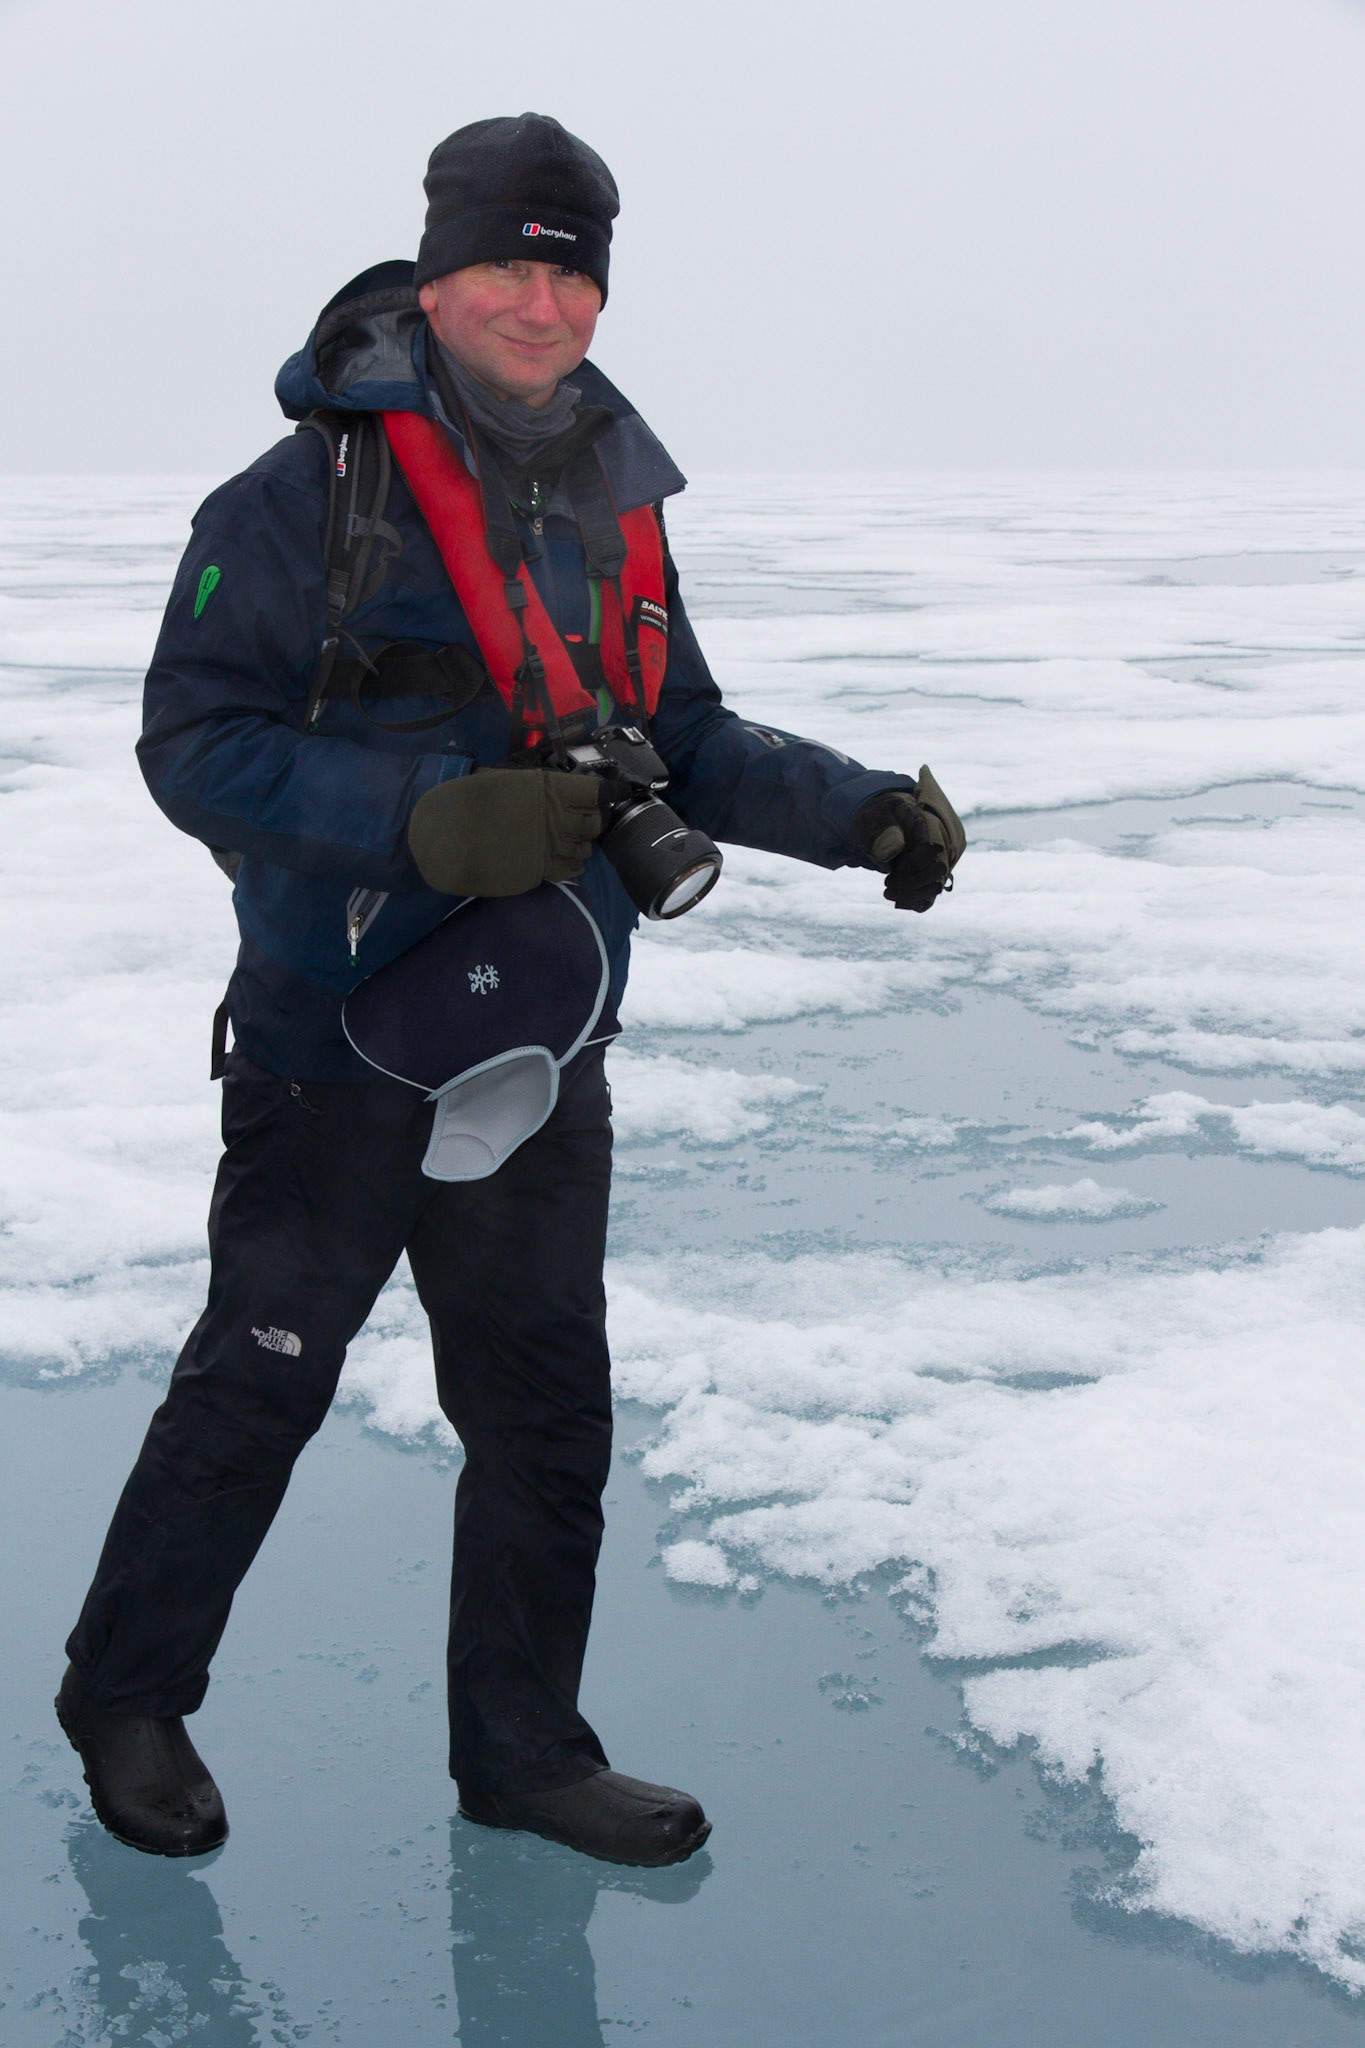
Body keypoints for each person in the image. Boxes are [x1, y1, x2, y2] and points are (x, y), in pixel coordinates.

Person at [55, 112, 964, 1868]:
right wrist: (422, 815)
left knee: (545, 1414)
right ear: (438, 269)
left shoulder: (613, 503)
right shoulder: (295, 497)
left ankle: (524, 1753)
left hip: (540, 1044)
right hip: (336, 1044)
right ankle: (128, 1693)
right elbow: (192, 744)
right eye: (510, 264)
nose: (542, 304)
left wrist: (853, 811)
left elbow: (679, 731)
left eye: (574, 271)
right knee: (262, 1380)